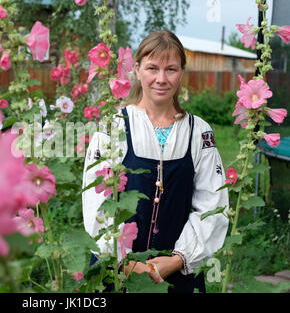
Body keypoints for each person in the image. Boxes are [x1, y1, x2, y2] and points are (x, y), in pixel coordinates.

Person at [82, 30, 229, 293]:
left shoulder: (198, 131)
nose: (161, 79)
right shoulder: (113, 126)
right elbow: (95, 200)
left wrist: (178, 259)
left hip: (176, 273)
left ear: (182, 72)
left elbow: (212, 203)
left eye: (171, 69)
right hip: (115, 272)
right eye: (152, 68)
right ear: (137, 70)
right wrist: (123, 261)